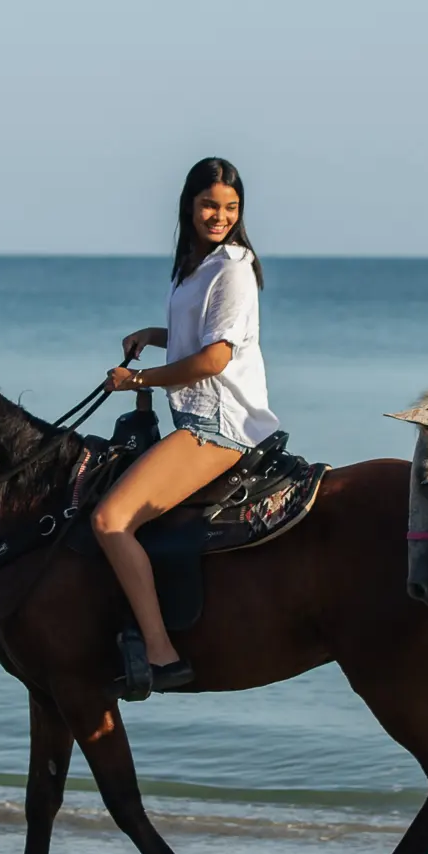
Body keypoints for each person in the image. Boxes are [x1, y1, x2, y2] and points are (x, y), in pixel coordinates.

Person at [92, 157, 280, 698]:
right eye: (209, 205)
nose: (219, 216)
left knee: (110, 521)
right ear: (189, 206)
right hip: (196, 415)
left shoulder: (233, 268)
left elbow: (215, 359)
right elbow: (197, 338)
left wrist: (137, 380)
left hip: (221, 424)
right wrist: (154, 333)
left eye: (230, 207)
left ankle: (161, 652)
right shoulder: (194, 265)